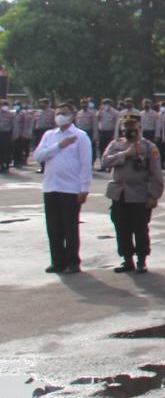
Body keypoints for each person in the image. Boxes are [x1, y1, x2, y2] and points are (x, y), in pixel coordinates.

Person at [33, 101, 93, 274]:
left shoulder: (80, 136)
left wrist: (84, 188)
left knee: (70, 227)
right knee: (53, 227)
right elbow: (38, 156)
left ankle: (72, 261)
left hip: (71, 188)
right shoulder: (49, 135)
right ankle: (57, 261)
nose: (60, 116)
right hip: (51, 186)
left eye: (64, 113)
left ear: (72, 116)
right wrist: (59, 146)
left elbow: (85, 164)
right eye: (58, 113)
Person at [101, 113, 165, 274]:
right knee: (122, 228)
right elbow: (105, 161)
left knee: (140, 228)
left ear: (139, 127)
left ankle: (142, 260)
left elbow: (156, 173)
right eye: (126, 126)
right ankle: (127, 259)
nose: (129, 129)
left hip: (139, 194)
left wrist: (154, 195)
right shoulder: (116, 144)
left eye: (133, 126)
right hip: (119, 193)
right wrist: (124, 154)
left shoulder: (149, 147)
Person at [0, 99, 13, 173]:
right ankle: (1, 165)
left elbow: (14, 125)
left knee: (6, 149)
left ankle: (6, 165)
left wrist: (15, 134)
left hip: (6, 133)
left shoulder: (9, 114)